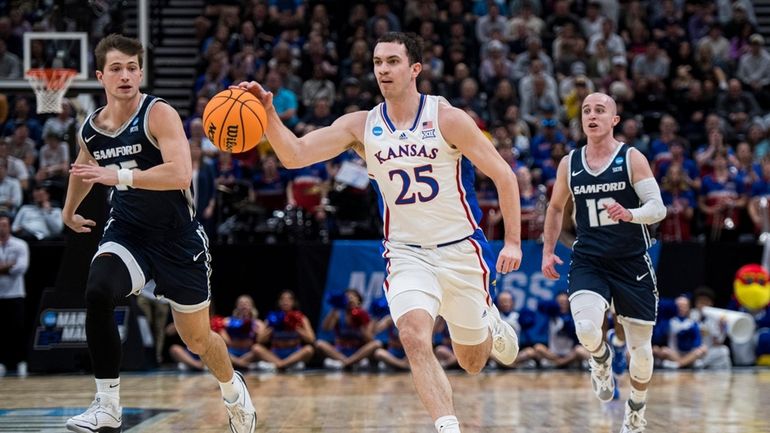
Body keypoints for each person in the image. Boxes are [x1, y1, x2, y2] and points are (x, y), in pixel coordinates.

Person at [237, 32, 522, 433]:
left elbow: (504, 175)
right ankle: (447, 427)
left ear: (415, 69)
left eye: (392, 61)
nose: (383, 70)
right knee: (412, 335)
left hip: (461, 249)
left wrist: (512, 241)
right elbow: (294, 154)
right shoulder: (361, 125)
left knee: (471, 363)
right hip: (406, 252)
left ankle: (488, 320)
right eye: (377, 62)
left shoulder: (448, 119)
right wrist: (268, 113)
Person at [62, 34, 256, 433]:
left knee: (198, 341)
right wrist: (69, 210)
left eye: (133, 67)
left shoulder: (158, 113)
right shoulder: (92, 128)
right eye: (116, 68)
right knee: (98, 290)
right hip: (129, 232)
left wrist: (118, 176)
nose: (126, 75)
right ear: (101, 76)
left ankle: (233, 390)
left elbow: (180, 174)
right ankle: (107, 403)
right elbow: (84, 166)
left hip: (177, 238)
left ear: (141, 72)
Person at [541, 92, 666, 433]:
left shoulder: (631, 157)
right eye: (586, 111)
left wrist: (630, 214)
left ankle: (636, 410)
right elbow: (554, 208)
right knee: (585, 328)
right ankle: (600, 359)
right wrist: (548, 250)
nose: (592, 116)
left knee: (641, 353)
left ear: (614, 120)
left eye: (600, 110)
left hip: (631, 263)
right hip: (589, 260)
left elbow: (658, 207)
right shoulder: (570, 162)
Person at [0, 213, 29, 377]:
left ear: (9, 226)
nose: (2, 228)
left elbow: (21, 268)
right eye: (0, 225)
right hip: (0, 294)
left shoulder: (20, 245)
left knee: (17, 330)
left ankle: (21, 362)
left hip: (15, 294)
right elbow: (14, 267)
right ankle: (2, 363)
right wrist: (8, 267)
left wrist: (3, 269)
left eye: (4, 224)